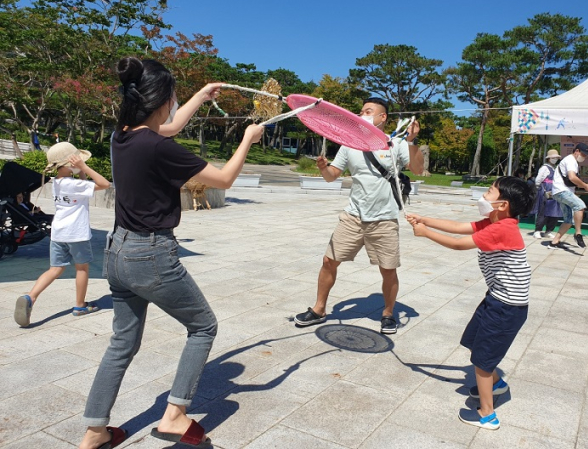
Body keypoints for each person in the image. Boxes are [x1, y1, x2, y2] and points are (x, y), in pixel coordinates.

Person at [78, 57, 264, 449]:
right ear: (162, 99)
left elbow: (170, 127)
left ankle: (95, 431)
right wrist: (247, 138)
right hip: (151, 255)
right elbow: (225, 178)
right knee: (203, 327)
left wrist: (200, 94)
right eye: (175, 94)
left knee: (122, 342)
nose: (177, 102)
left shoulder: (123, 135)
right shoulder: (161, 149)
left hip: (116, 251)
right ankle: (175, 416)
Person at [406, 177, 535, 430]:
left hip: (506, 308)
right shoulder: (495, 221)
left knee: (482, 363)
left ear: (502, 204)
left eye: (489, 192)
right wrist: (425, 219)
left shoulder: (502, 228)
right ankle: (497, 384)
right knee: (474, 343)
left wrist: (425, 233)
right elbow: (457, 227)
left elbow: (456, 244)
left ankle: (488, 415)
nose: (483, 196)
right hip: (497, 299)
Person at [293, 97, 424, 335]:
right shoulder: (349, 144)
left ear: (382, 117)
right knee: (328, 261)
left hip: (384, 219)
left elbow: (417, 169)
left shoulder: (395, 144)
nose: (362, 114)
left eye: (368, 111)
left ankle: (387, 313)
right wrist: (323, 167)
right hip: (352, 217)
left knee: (388, 269)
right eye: (361, 110)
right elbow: (333, 175)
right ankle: (319, 309)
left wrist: (412, 141)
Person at [14, 142, 111, 328]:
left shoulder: (57, 182)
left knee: (55, 269)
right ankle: (80, 306)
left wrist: (80, 170)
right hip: (77, 234)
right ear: (69, 164)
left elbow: (82, 185)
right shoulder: (75, 185)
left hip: (59, 233)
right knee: (82, 268)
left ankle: (30, 297)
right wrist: (85, 168)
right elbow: (104, 184)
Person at [548, 143, 588, 249]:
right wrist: (585, 186)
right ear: (577, 151)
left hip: (559, 192)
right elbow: (572, 178)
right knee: (580, 206)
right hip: (562, 191)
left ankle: (554, 242)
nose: (584, 157)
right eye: (583, 154)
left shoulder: (569, 160)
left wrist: (586, 185)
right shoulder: (571, 160)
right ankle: (578, 233)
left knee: (568, 221)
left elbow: (572, 180)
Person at [531, 149, 562, 239]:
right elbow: (538, 181)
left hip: (554, 192)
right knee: (543, 212)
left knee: (554, 212)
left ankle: (549, 230)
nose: (555, 159)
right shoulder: (544, 168)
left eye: (556, 158)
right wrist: (542, 189)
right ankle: (537, 230)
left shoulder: (555, 168)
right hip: (545, 192)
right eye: (553, 157)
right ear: (549, 158)